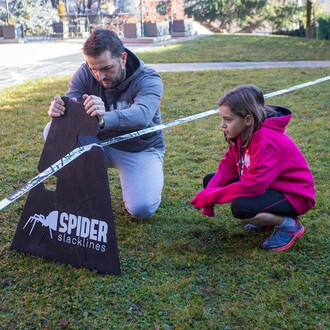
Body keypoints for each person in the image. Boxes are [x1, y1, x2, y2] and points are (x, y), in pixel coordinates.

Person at [46, 29, 165, 220]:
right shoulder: (85, 72)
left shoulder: (148, 79)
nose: (99, 76)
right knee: (52, 130)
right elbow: (72, 108)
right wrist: (60, 111)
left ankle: (144, 179)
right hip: (97, 144)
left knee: (141, 209)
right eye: (94, 69)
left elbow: (142, 115)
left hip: (139, 149)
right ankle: (85, 188)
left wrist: (104, 118)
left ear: (123, 58)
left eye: (106, 68)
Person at [190, 85, 315, 251]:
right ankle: (266, 221)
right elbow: (228, 166)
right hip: (269, 186)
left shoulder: (265, 140)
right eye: (222, 119)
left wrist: (212, 196)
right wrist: (209, 195)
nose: (222, 125)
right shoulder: (243, 132)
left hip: (294, 194)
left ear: (247, 119)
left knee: (242, 209)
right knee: (210, 180)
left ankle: (289, 225)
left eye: (228, 119)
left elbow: (253, 186)